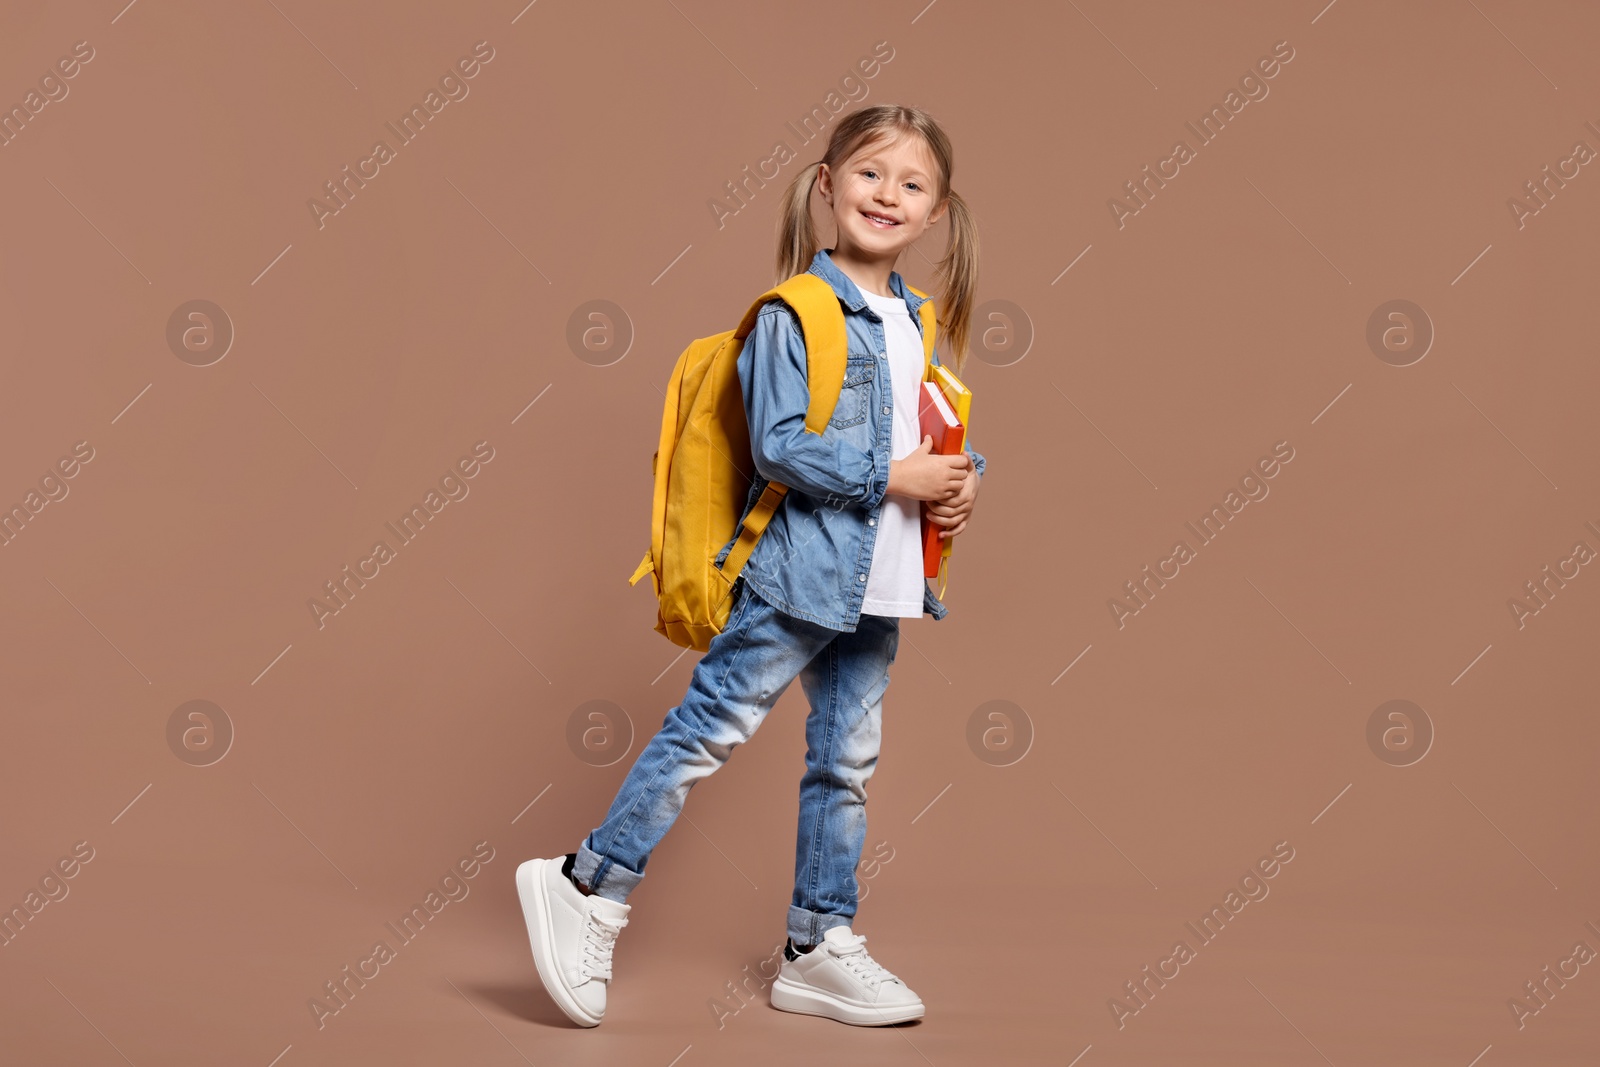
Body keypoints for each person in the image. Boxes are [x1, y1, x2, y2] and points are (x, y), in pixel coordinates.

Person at [515, 103, 987, 1028]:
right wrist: (897, 476)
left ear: (937, 213)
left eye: (912, 184)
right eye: (868, 173)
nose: (887, 195)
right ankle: (586, 884)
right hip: (798, 574)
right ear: (826, 186)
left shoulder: (917, 319)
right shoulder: (796, 313)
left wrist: (959, 486)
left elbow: (923, 433)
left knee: (846, 764)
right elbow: (779, 447)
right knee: (708, 732)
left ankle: (818, 943)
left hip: (880, 585)